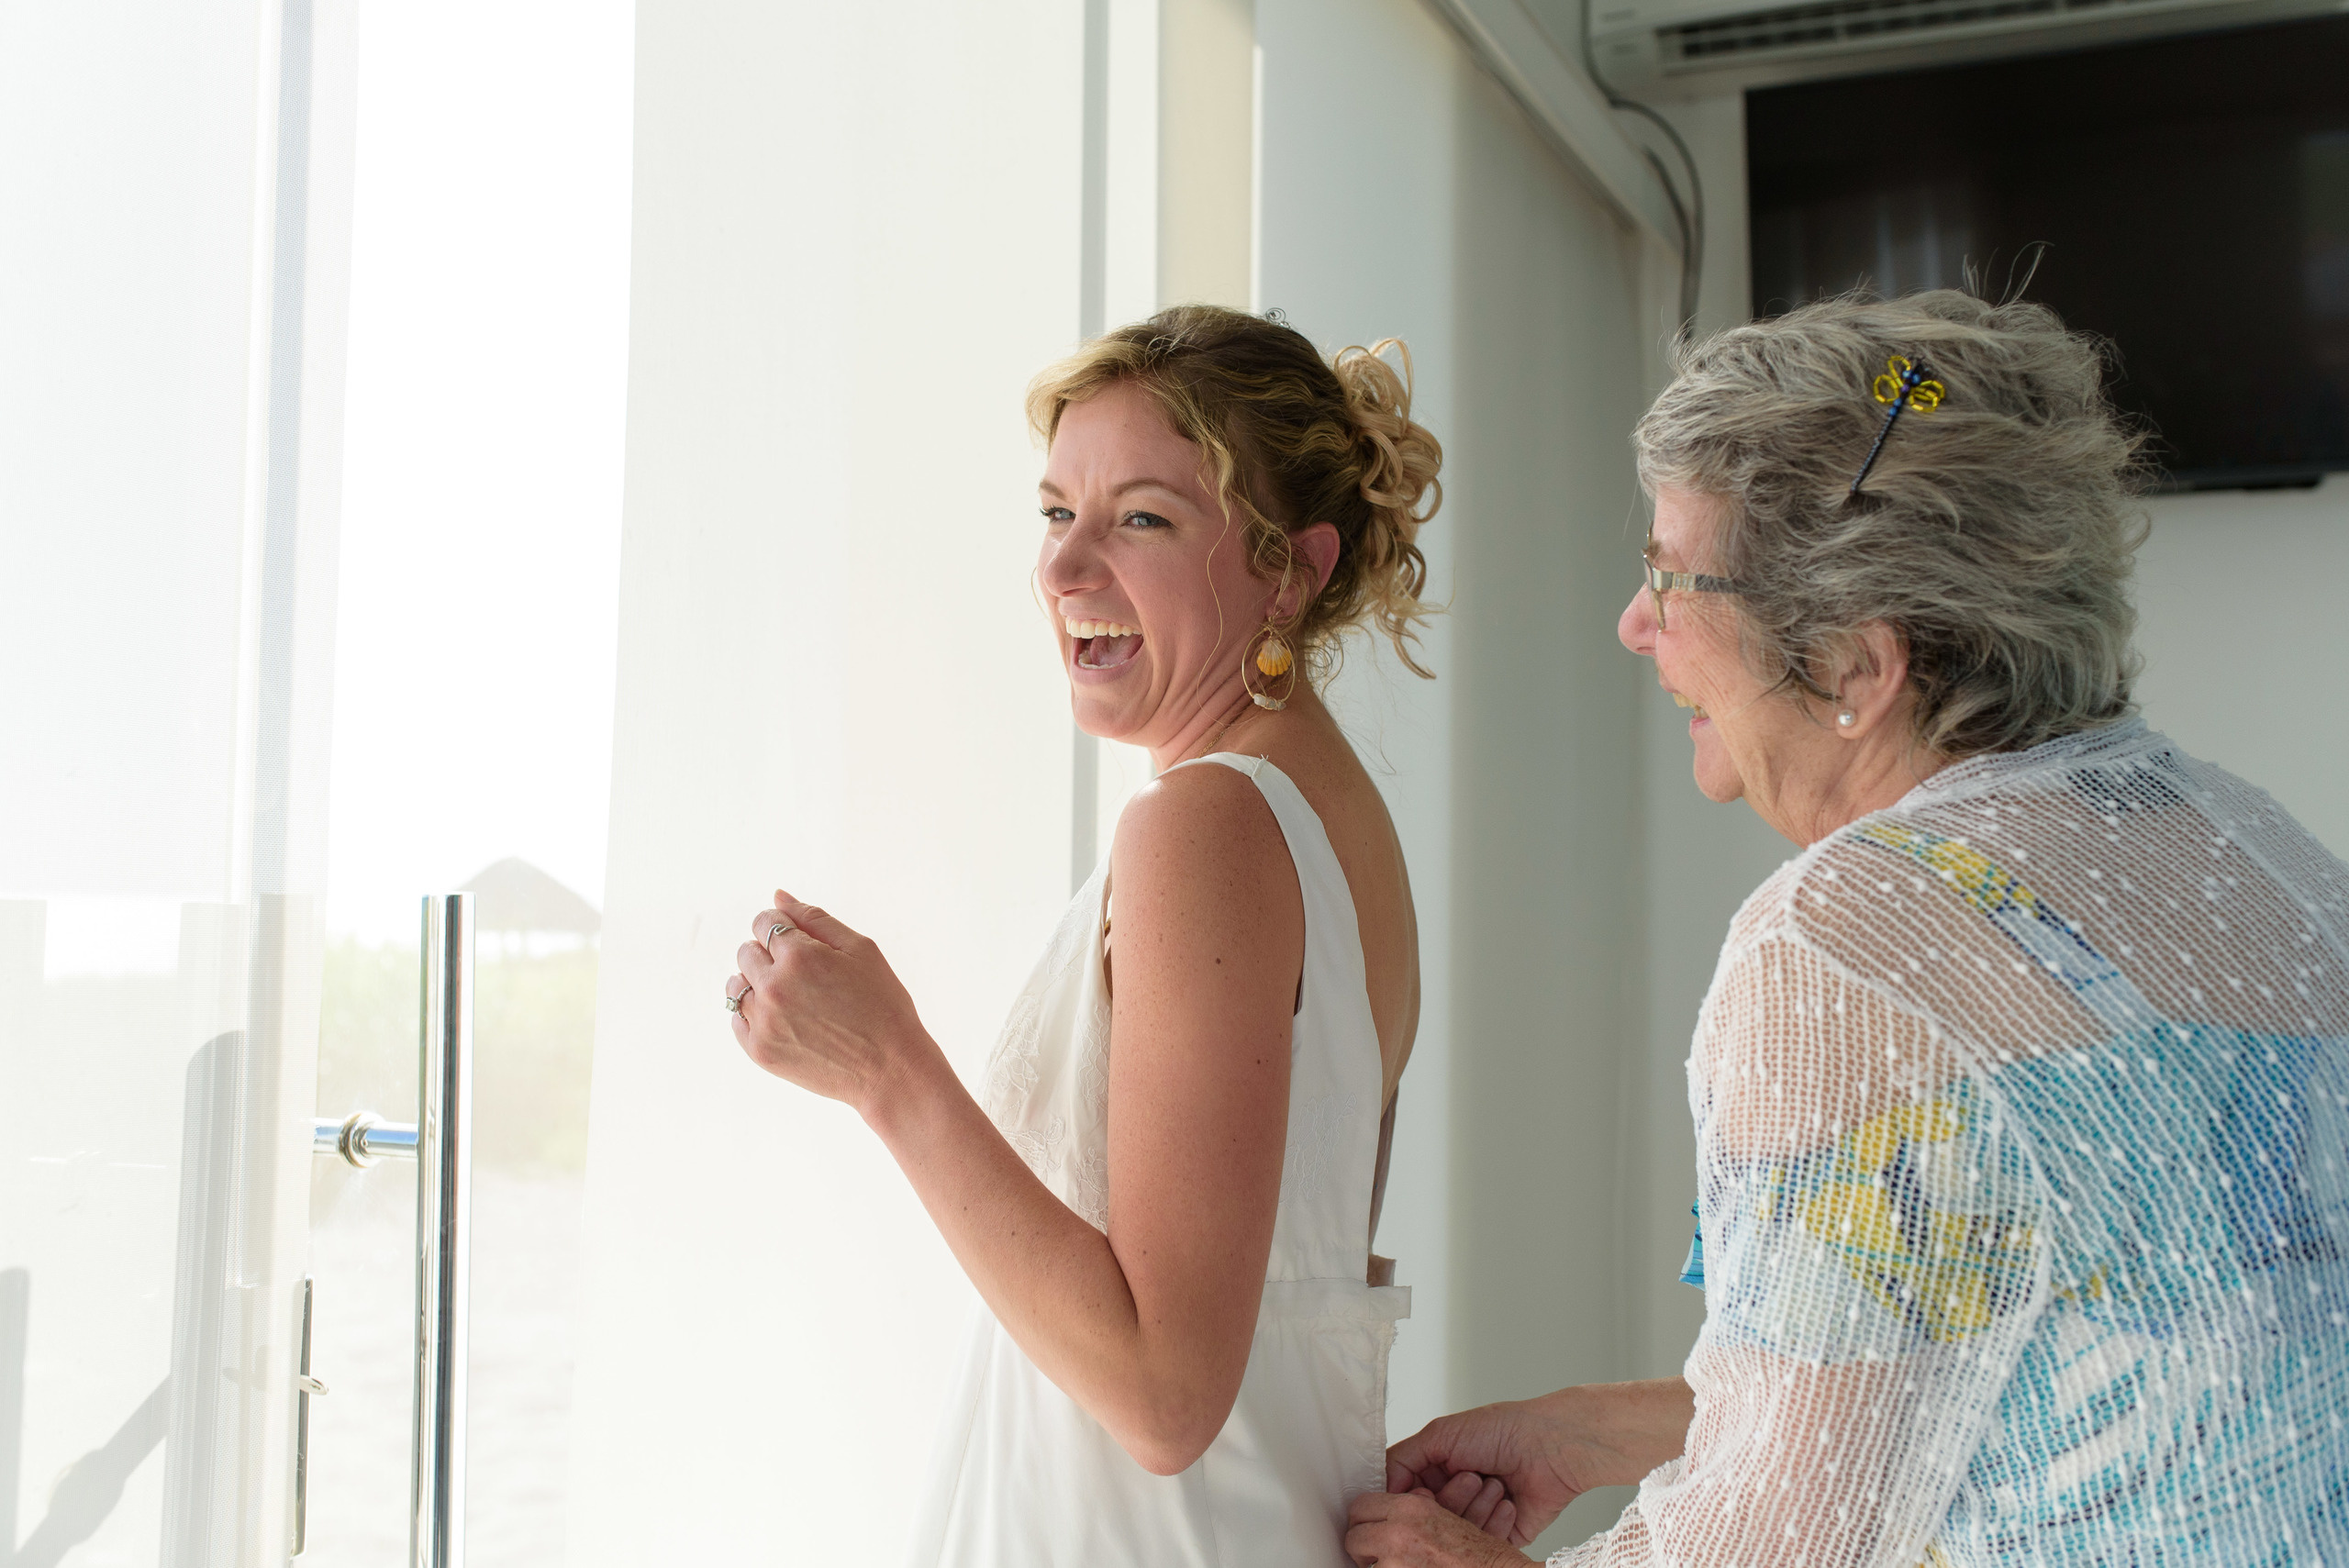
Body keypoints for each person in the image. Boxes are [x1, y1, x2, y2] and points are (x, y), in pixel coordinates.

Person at [1346, 290, 2349, 1566]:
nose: (1635, 621)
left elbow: (1779, 1545)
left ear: (1856, 669)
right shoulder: (2260, 851)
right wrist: (1594, 1431)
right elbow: (2056, 1356)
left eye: (1670, 574)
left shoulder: (1845, 947)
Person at [726, 304, 1442, 1565]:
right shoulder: (1337, 821)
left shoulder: (1205, 826)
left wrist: (887, 1066)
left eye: (1143, 518)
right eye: (1058, 513)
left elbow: (1165, 1393)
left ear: (1292, 567)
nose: (1064, 570)